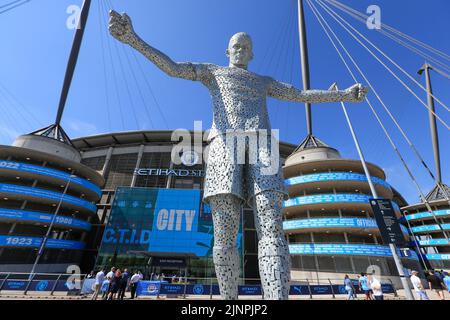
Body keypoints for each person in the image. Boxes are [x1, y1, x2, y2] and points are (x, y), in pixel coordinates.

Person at [109, 10, 367, 301]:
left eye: (246, 47)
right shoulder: (213, 72)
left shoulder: (263, 81)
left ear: (252, 54)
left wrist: (341, 95)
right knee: (225, 231)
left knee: (271, 227)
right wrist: (133, 39)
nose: (241, 51)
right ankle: (229, 301)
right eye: (236, 46)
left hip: (263, 147)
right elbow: (172, 68)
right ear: (227, 51)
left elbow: (299, 94)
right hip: (223, 147)